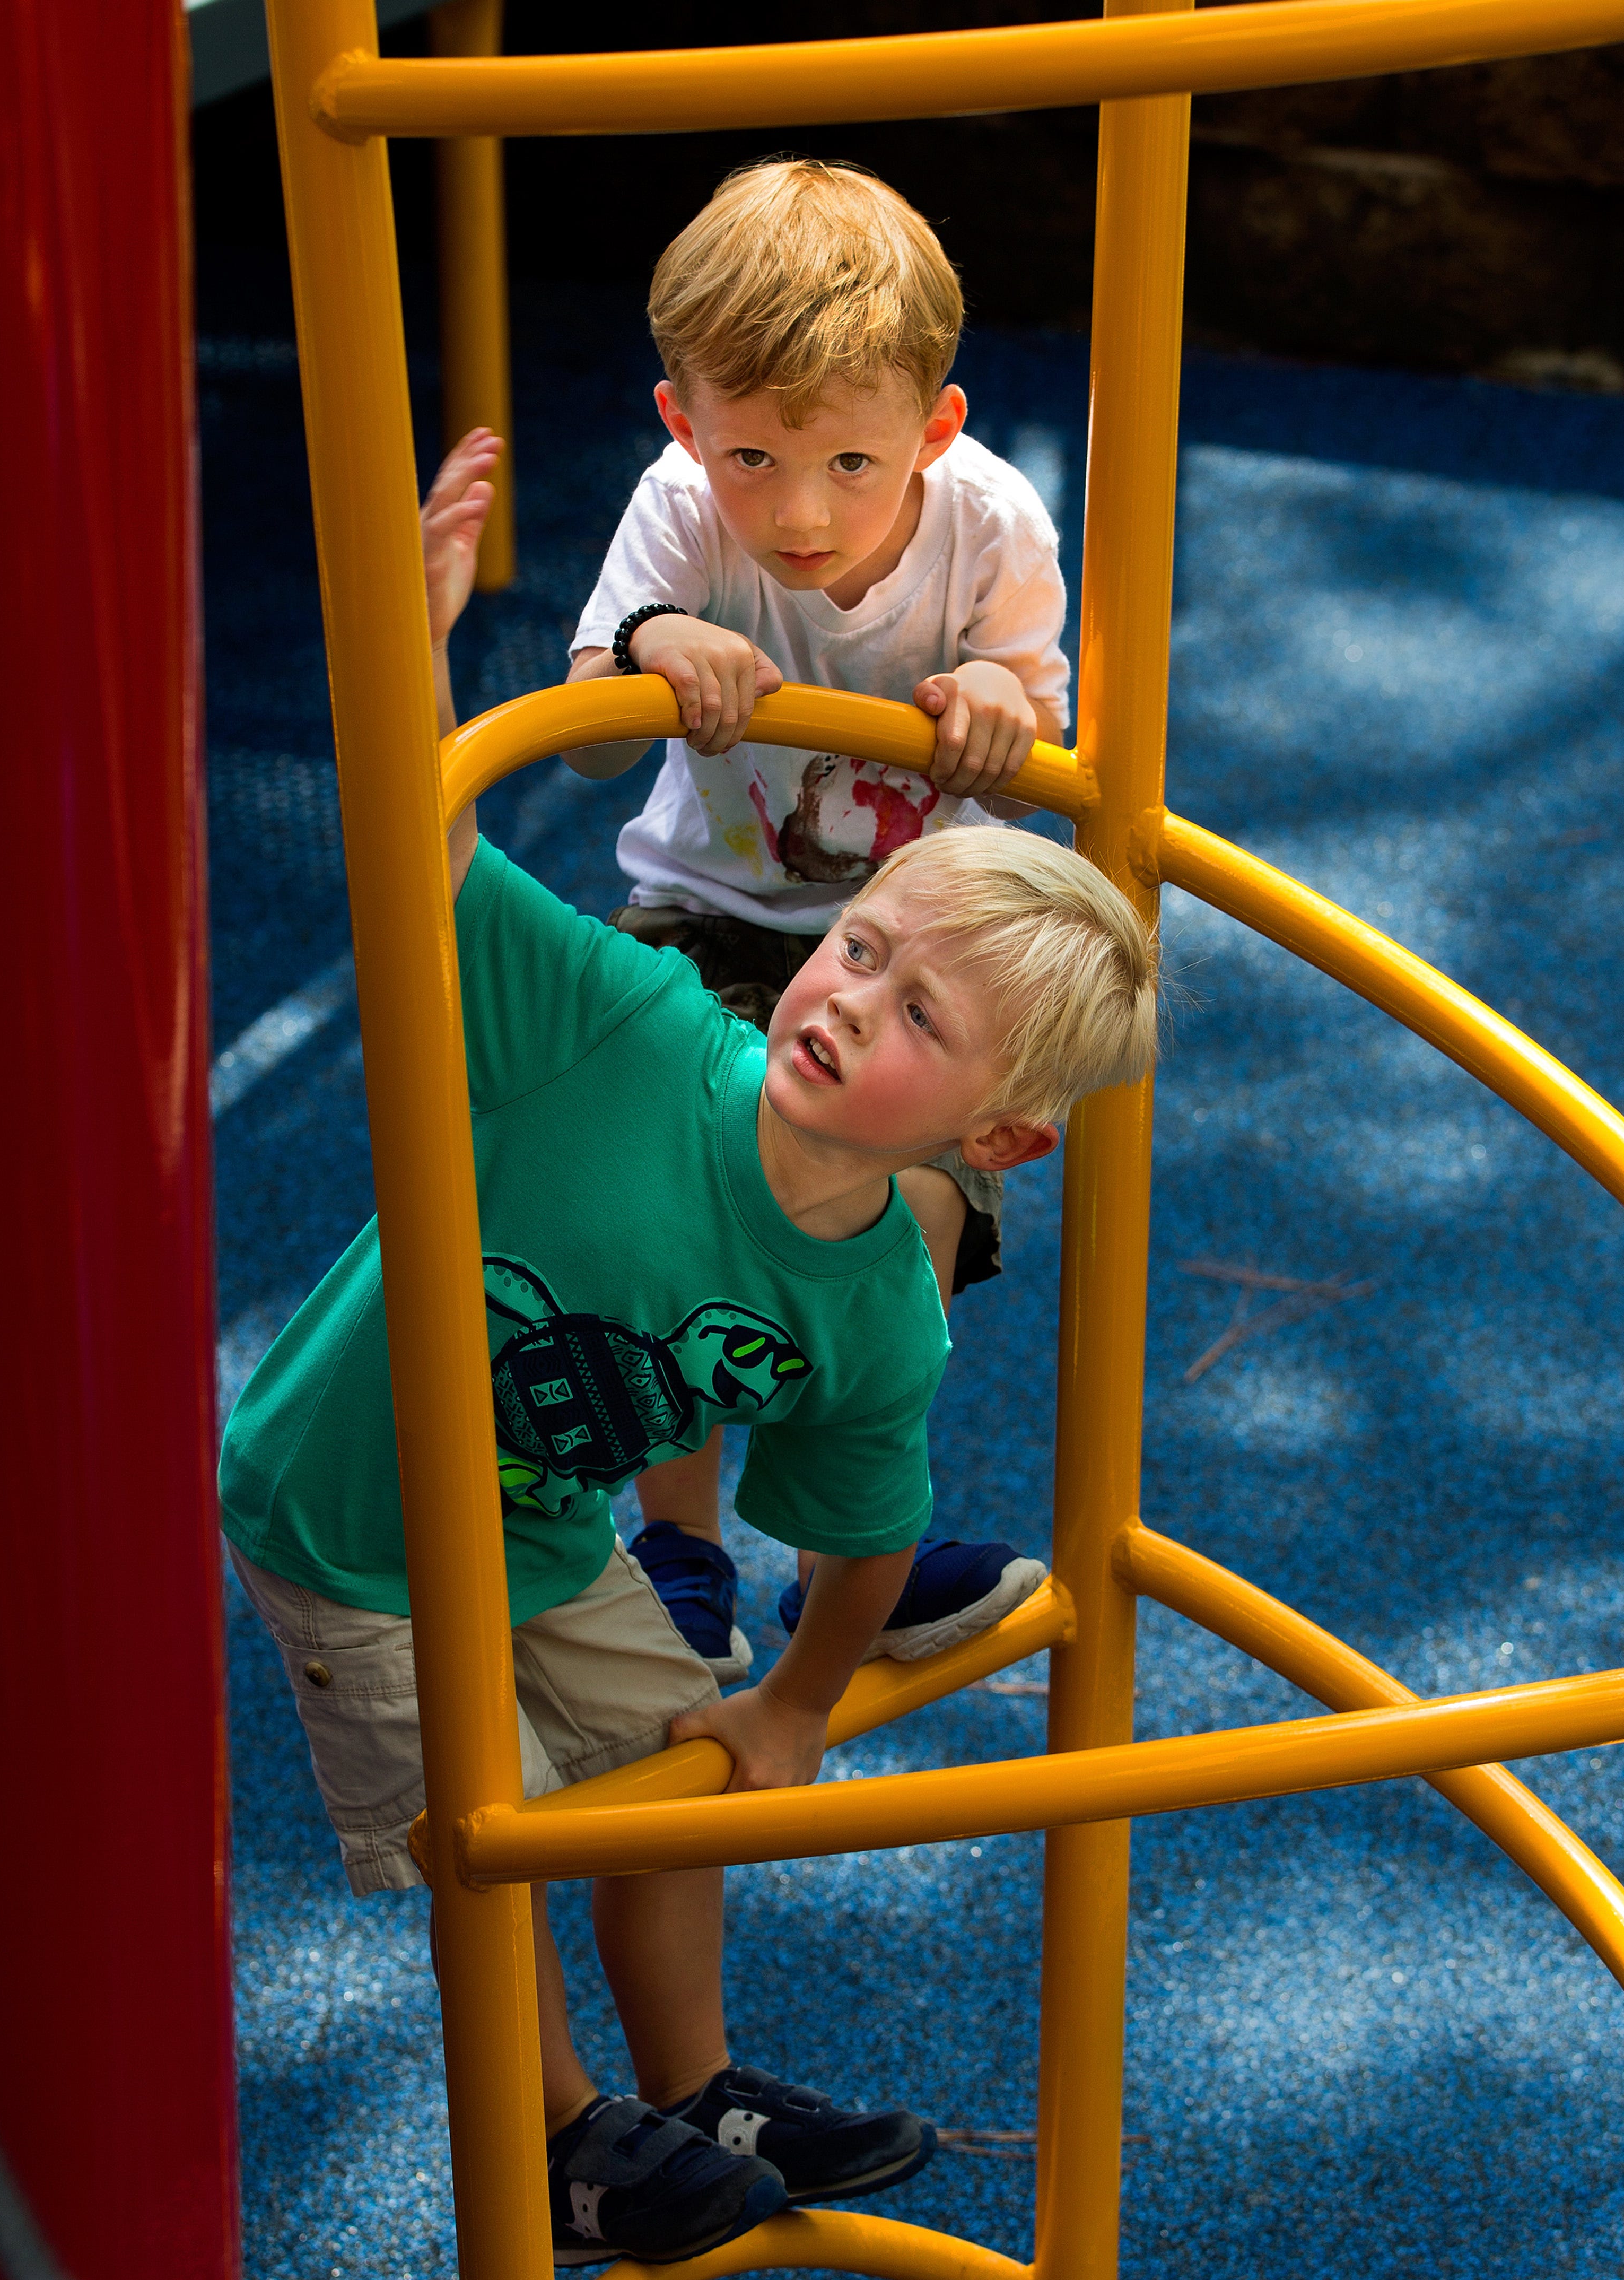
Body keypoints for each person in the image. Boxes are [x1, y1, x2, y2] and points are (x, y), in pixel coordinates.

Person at [219, 432, 1157, 2268]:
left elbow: (864, 1527)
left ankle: (697, 2085)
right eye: (858, 949)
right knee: (489, 1832)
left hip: (538, 1519)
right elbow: (421, 845)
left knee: (680, 1773)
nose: (848, 1001)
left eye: (918, 1016)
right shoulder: (627, 1026)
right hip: (348, 1513)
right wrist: (410, 646)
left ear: (996, 1139)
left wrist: (793, 1703)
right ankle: (562, 2142)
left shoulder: (874, 1306)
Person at [563, 156, 1072, 1685]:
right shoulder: (678, 509)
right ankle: (681, 1542)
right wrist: (656, 645)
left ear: (936, 427)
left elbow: (1044, 754)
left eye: (853, 463)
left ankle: (855, 1548)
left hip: (912, 946)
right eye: (751, 458)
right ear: (683, 423)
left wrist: (1001, 706)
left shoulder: (991, 523)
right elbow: (585, 741)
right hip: (709, 908)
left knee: (907, 1216)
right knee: (670, 1189)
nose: (798, 512)